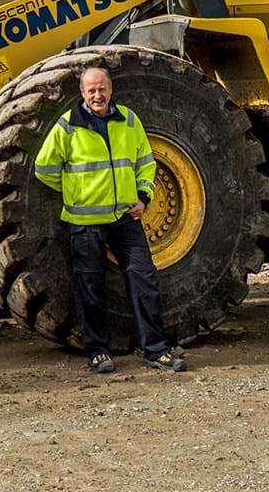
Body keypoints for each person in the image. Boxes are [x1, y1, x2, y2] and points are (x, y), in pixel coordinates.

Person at [31, 64, 186, 375]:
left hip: (125, 218)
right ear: (82, 93)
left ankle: (156, 350)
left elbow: (145, 163)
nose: (97, 95)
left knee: (143, 278)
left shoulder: (128, 120)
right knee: (90, 286)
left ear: (111, 90)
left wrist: (143, 197)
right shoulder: (67, 126)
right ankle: (98, 351)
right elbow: (44, 169)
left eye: (102, 89)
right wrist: (77, 192)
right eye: (91, 90)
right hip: (85, 221)